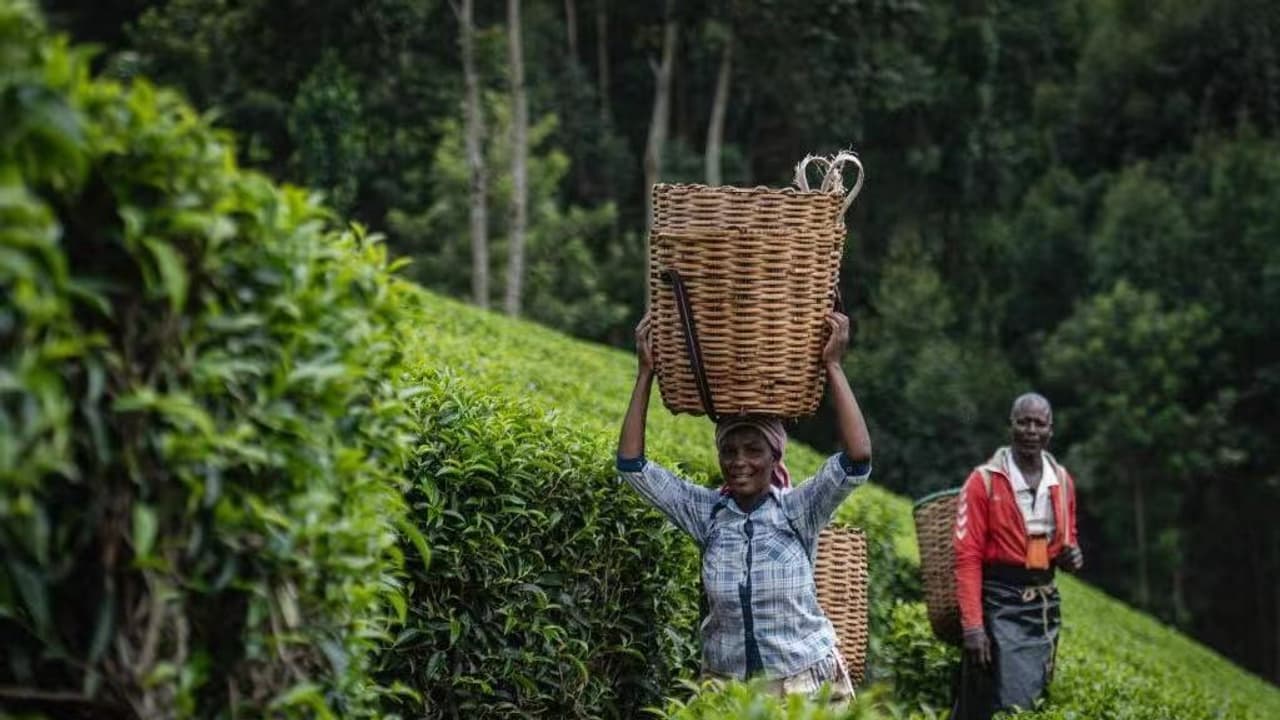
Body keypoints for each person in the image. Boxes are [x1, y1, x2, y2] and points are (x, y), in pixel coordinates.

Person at [616, 310, 872, 701]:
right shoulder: (707, 514)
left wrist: (832, 365)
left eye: (753, 450)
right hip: (727, 689)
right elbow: (632, 466)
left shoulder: (797, 510)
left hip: (804, 686)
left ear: (775, 458)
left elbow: (857, 459)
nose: (739, 462)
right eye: (729, 451)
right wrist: (645, 373)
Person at [951, 393, 1083, 719]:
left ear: (1050, 430)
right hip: (999, 602)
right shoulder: (984, 481)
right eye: (1024, 422)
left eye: (1039, 423)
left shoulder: (1062, 481)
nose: (1031, 430)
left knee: (1030, 699)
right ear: (1011, 426)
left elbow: (1069, 540)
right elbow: (967, 558)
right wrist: (972, 627)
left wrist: (1072, 556)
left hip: (1043, 607)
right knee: (999, 703)